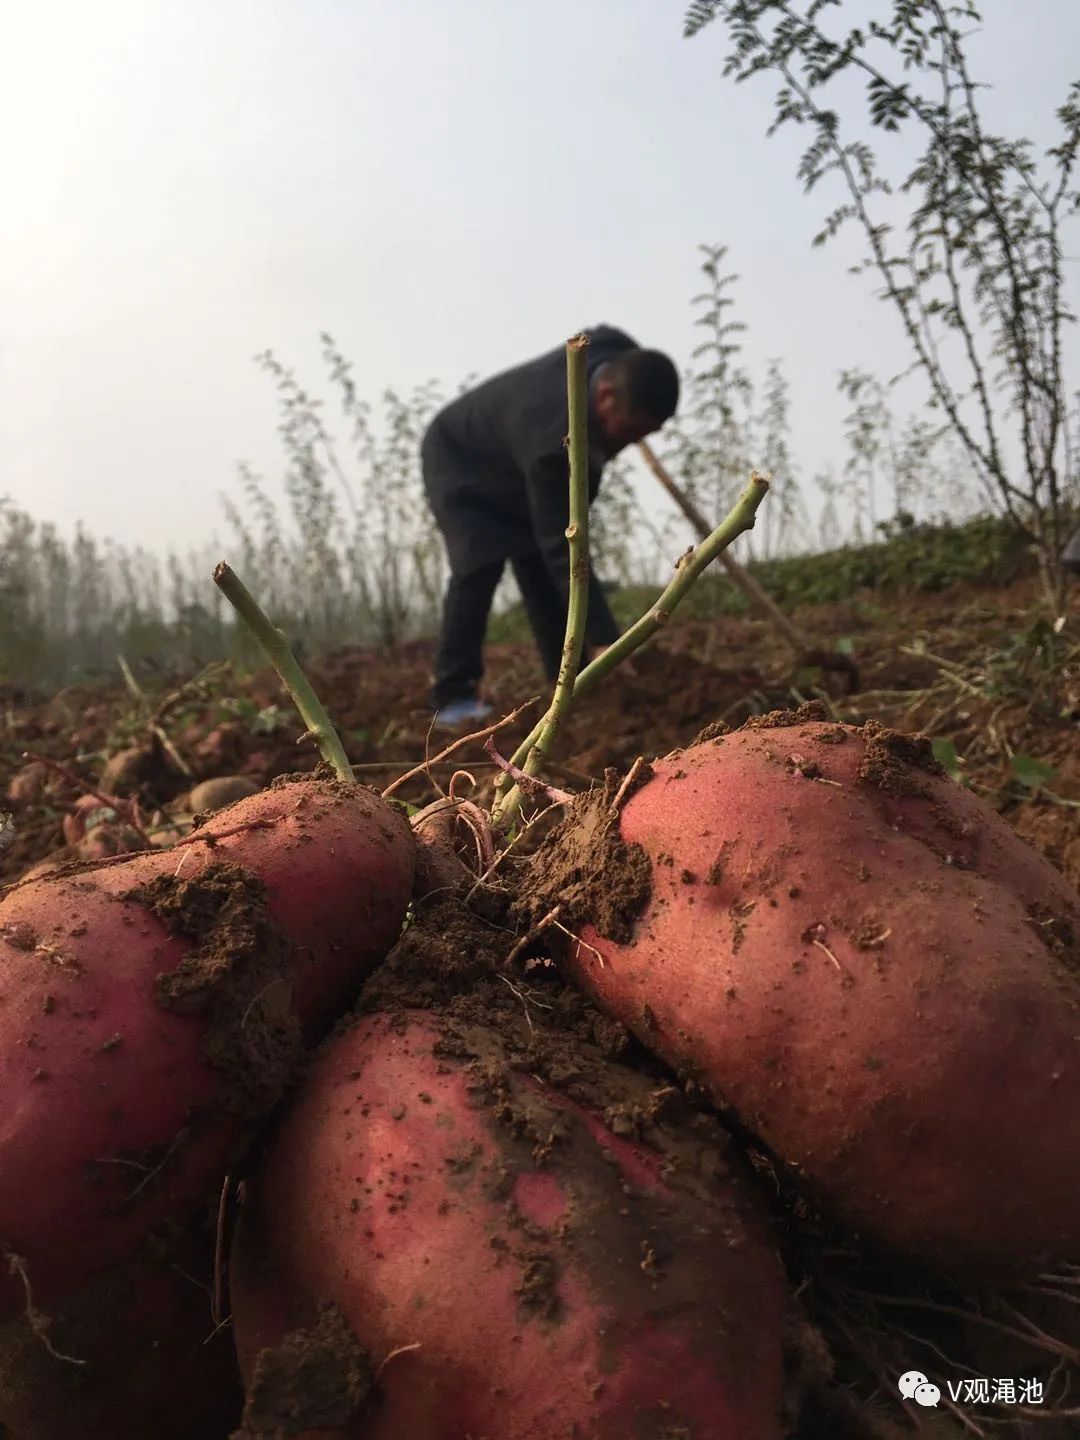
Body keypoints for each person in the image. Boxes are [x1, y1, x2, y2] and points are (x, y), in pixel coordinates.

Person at [421, 324, 679, 727]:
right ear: (606, 397)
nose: (626, 444)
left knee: (538, 566)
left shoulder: (614, 351)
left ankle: (567, 679)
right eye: (627, 432)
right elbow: (566, 548)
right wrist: (605, 637)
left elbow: (603, 333)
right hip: (460, 458)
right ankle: (452, 697)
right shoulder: (553, 442)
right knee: (478, 566)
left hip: (513, 458)